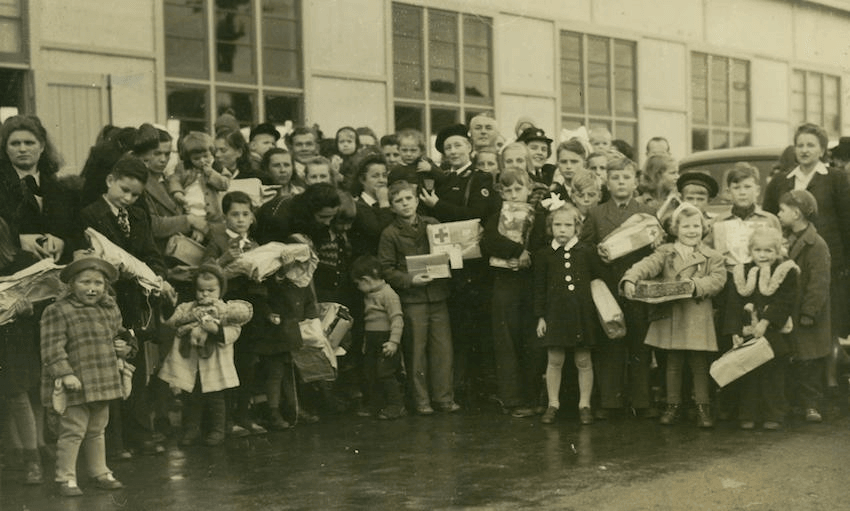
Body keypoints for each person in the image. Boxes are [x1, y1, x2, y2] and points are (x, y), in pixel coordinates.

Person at [621, 203, 726, 428]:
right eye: (686, 226)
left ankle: (702, 406)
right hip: (672, 315)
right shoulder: (665, 252)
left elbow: (718, 280)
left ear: (703, 228)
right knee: (673, 363)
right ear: (675, 229)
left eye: (696, 226)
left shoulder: (712, 256)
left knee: (699, 364)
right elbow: (646, 266)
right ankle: (673, 405)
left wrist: (694, 285)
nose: (691, 230)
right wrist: (631, 278)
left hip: (697, 315)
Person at [418, 124, 499, 404]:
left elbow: (476, 215)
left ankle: (481, 389)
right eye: (447, 148)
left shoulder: (480, 179)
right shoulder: (438, 181)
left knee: (476, 327)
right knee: (453, 328)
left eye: (457, 145)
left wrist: (438, 206)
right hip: (447, 263)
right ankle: (459, 387)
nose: (453, 151)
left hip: (473, 265)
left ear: (469, 148)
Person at [763, 123, 850, 373]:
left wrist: (845, 264)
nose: (804, 150)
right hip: (787, 260)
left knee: (825, 320)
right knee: (792, 317)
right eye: (800, 145)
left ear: (822, 150)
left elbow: (846, 222)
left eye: (811, 145)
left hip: (827, 261)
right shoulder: (782, 180)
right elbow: (769, 219)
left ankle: (828, 381)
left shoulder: (835, 178)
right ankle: (796, 383)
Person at [40, 257, 127, 496]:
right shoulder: (58, 310)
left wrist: (125, 347)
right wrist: (65, 373)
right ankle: (65, 477)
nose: (92, 288)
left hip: (102, 379)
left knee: (97, 428)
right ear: (71, 285)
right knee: (73, 429)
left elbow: (118, 334)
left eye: (99, 283)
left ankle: (99, 471)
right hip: (75, 382)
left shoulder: (107, 309)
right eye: (85, 282)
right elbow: (51, 348)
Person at [580, 154, 656, 419]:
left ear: (635, 182)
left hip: (637, 285)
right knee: (609, 342)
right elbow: (584, 246)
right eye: (615, 178)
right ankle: (610, 401)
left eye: (626, 177)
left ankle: (641, 401)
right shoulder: (596, 212)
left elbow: (656, 249)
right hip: (607, 286)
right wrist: (595, 254)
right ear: (606, 183)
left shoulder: (647, 213)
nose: (621, 182)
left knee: (639, 342)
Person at [378, 181, 458, 415]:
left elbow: (449, 250)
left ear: (417, 200)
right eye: (398, 201)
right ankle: (421, 400)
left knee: (443, 350)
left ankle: (444, 398)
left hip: (438, 295)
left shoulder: (432, 225)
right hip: (412, 299)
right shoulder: (390, 233)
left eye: (408, 199)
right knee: (416, 351)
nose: (405, 204)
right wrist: (410, 280)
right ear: (392, 207)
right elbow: (386, 268)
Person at [159, 264, 252, 446]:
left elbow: (234, 331)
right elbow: (172, 322)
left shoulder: (225, 310)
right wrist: (170, 306)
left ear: (220, 290)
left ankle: (218, 429)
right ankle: (191, 429)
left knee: (216, 398)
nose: (205, 294)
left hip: (214, 362)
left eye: (211, 290)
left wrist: (216, 330)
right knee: (191, 397)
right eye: (201, 290)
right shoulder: (187, 308)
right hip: (192, 362)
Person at [480, 170, 547, 418]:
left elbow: (542, 246)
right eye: (507, 190)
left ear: (529, 189)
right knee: (505, 338)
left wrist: (528, 258)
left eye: (518, 189)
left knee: (530, 340)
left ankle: (530, 397)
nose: (513, 194)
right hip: (504, 283)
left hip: (529, 284)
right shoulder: (496, 216)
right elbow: (487, 242)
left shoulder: (538, 217)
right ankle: (511, 397)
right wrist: (517, 250)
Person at [724, 228, 798, 431]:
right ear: (751, 251)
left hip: (774, 333)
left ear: (777, 251)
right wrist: (734, 331)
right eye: (758, 250)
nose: (763, 255)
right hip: (748, 331)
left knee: (773, 375)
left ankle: (774, 414)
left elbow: (786, 300)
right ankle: (747, 414)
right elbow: (733, 303)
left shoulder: (785, 271)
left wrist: (766, 321)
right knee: (749, 374)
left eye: (768, 250)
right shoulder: (742, 272)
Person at [534, 202, 601, 425]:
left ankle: (585, 404)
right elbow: (539, 288)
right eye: (557, 225)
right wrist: (541, 316)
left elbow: (597, 282)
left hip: (581, 315)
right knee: (555, 359)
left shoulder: (586, 252)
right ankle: (553, 403)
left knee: (584, 360)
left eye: (567, 225)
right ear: (550, 227)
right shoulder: (545, 255)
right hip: (555, 316)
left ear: (577, 228)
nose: (562, 229)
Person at [776, 190, 831, 423]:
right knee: (794, 358)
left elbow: (819, 282)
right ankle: (795, 403)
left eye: (782, 210)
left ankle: (811, 404)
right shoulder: (785, 240)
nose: (778, 214)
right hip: (792, 310)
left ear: (796, 213)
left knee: (809, 360)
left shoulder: (816, 244)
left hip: (808, 314)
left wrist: (810, 311)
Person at [0, 217, 47, 485]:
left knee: (22, 391)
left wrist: (29, 309)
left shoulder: (23, 261)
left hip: (19, 337)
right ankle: (17, 450)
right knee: (9, 395)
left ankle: (34, 455)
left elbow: (45, 296)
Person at [0, 115, 78, 262]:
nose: (22, 149)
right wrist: (18, 240)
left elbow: (77, 232)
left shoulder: (62, 189)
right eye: (15, 144)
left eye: (29, 143)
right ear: (5, 149)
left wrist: (63, 243)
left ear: (42, 147)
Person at [351, 255, 406, 419]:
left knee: (385, 374)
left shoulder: (388, 295)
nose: (358, 287)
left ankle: (397, 405)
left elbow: (397, 319)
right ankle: (376, 405)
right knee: (371, 373)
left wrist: (393, 342)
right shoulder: (370, 294)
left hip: (386, 340)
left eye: (358, 283)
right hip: (372, 340)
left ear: (366, 279)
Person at [141, 128, 210, 253]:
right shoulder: (140, 184)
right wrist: (190, 221)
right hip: (159, 253)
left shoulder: (171, 181)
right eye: (157, 153)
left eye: (167, 154)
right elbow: (152, 225)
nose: (163, 159)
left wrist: (197, 228)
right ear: (146, 154)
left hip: (183, 249)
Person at [168, 132, 230, 242]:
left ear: (212, 152)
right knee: (195, 238)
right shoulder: (183, 168)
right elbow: (174, 179)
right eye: (196, 158)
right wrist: (177, 192)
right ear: (189, 158)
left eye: (205, 156)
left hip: (213, 213)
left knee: (215, 237)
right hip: (191, 210)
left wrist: (211, 173)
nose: (202, 161)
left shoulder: (217, 167)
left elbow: (225, 184)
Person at [350, 153, 394, 257]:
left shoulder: (391, 202)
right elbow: (380, 233)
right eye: (375, 176)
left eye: (384, 175)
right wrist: (384, 203)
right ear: (362, 180)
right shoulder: (358, 206)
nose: (382, 180)